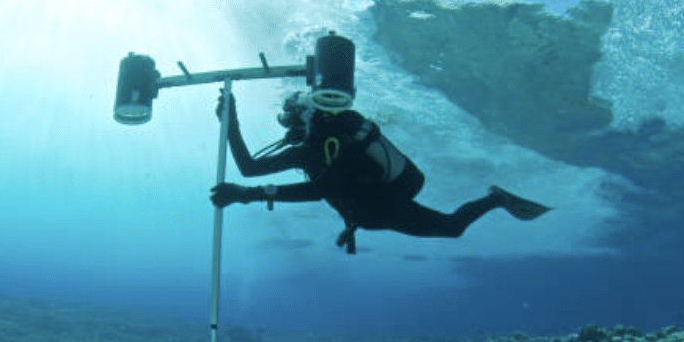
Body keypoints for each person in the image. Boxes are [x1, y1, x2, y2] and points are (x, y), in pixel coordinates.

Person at [210, 89, 551, 253]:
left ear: (303, 118)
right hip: (380, 207)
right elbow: (260, 171)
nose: (288, 128)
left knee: (452, 228)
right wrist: (245, 191)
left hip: (381, 208)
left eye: (290, 119)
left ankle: (496, 199)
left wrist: (247, 192)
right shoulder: (317, 150)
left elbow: (309, 187)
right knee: (452, 228)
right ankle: (496, 198)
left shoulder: (318, 150)